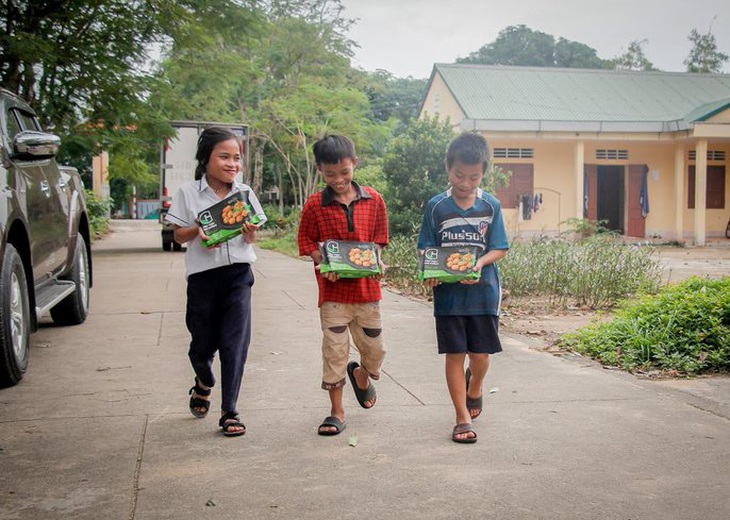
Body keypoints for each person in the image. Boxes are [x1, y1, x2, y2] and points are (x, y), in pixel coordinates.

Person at [164, 126, 267, 437]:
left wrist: (250, 234)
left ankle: (230, 410)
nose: (232, 164)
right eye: (224, 156)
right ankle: (204, 381)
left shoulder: (244, 193)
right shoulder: (187, 193)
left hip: (238, 275)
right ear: (206, 158)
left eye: (236, 158)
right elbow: (177, 235)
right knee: (202, 344)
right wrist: (196, 230)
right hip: (202, 278)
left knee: (235, 344)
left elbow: (253, 234)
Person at [417, 132, 509, 444]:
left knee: (480, 356)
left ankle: (476, 387)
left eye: (473, 177)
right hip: (449, 298)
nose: (465, 183)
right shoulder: (436, 206)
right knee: (455, 355)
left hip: (483, 294)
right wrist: (430, 269)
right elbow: (426, 248)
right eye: (459, 175)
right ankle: (461, 416)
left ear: (484, 173)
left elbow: (499, 247)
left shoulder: (491, 205)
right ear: (448, 168)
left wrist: (479, 264)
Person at [297, 134, 389, 436]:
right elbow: (306, 240)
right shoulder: (314, 205)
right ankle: (336, 411)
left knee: (375, 351)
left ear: (355, 164)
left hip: (367, 295)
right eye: (330, 174)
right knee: (334, 352)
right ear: (321, 171)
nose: (338, 179)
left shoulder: (374, 200)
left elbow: (378, 240)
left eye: (344, 172)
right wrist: (321, 261)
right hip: (333, 295)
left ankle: (362, 375)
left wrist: (377, 262)